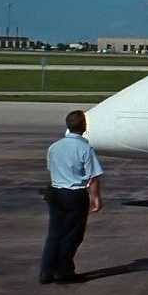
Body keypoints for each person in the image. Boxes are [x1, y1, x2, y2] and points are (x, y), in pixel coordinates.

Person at [41, 109, 104, 285]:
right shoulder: (85, 148)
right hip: (74, 194)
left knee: (54, 233)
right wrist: (96, 198)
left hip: (55, 192)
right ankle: (64, 271)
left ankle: (46, 271)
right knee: (73, 235)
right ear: (84, 127)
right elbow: (93, 178)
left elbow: (50, 168)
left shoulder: (54, 147)